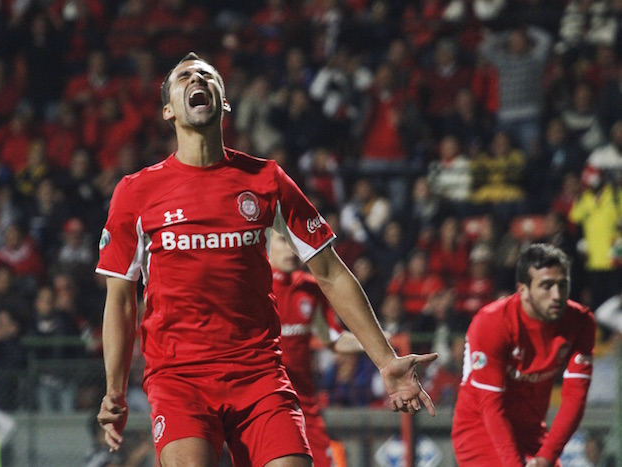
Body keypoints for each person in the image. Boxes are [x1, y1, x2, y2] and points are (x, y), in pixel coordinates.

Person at [96, 52, 437, 467]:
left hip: (259, 374)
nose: (196, 78)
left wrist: (386, 360)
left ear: (223, 101)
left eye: (206, 75)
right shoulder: (136, 192)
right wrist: (115, 391)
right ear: (169, 109)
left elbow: (330, 271)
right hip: (179, 378)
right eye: (184, 77)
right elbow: (120, 297)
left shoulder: (266, 179)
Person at [451, 243, 596, 466]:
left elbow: (575, 397)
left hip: (532, 433)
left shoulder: (581, 322)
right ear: (523, 290)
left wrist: (547, 457)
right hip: (481, 430)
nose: (557, 295)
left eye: (562, 285)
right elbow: (491, 405)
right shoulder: (492, 323)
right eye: (546, 286)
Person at [268, 230, 362, 467]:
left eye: (294, 243)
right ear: (267, 245)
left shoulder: (310, 288)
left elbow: (333, 339)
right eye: (283, 241)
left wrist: (378, 343)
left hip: (304, 402)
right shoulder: (253, 285)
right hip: (265, 398)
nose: (290, 249)